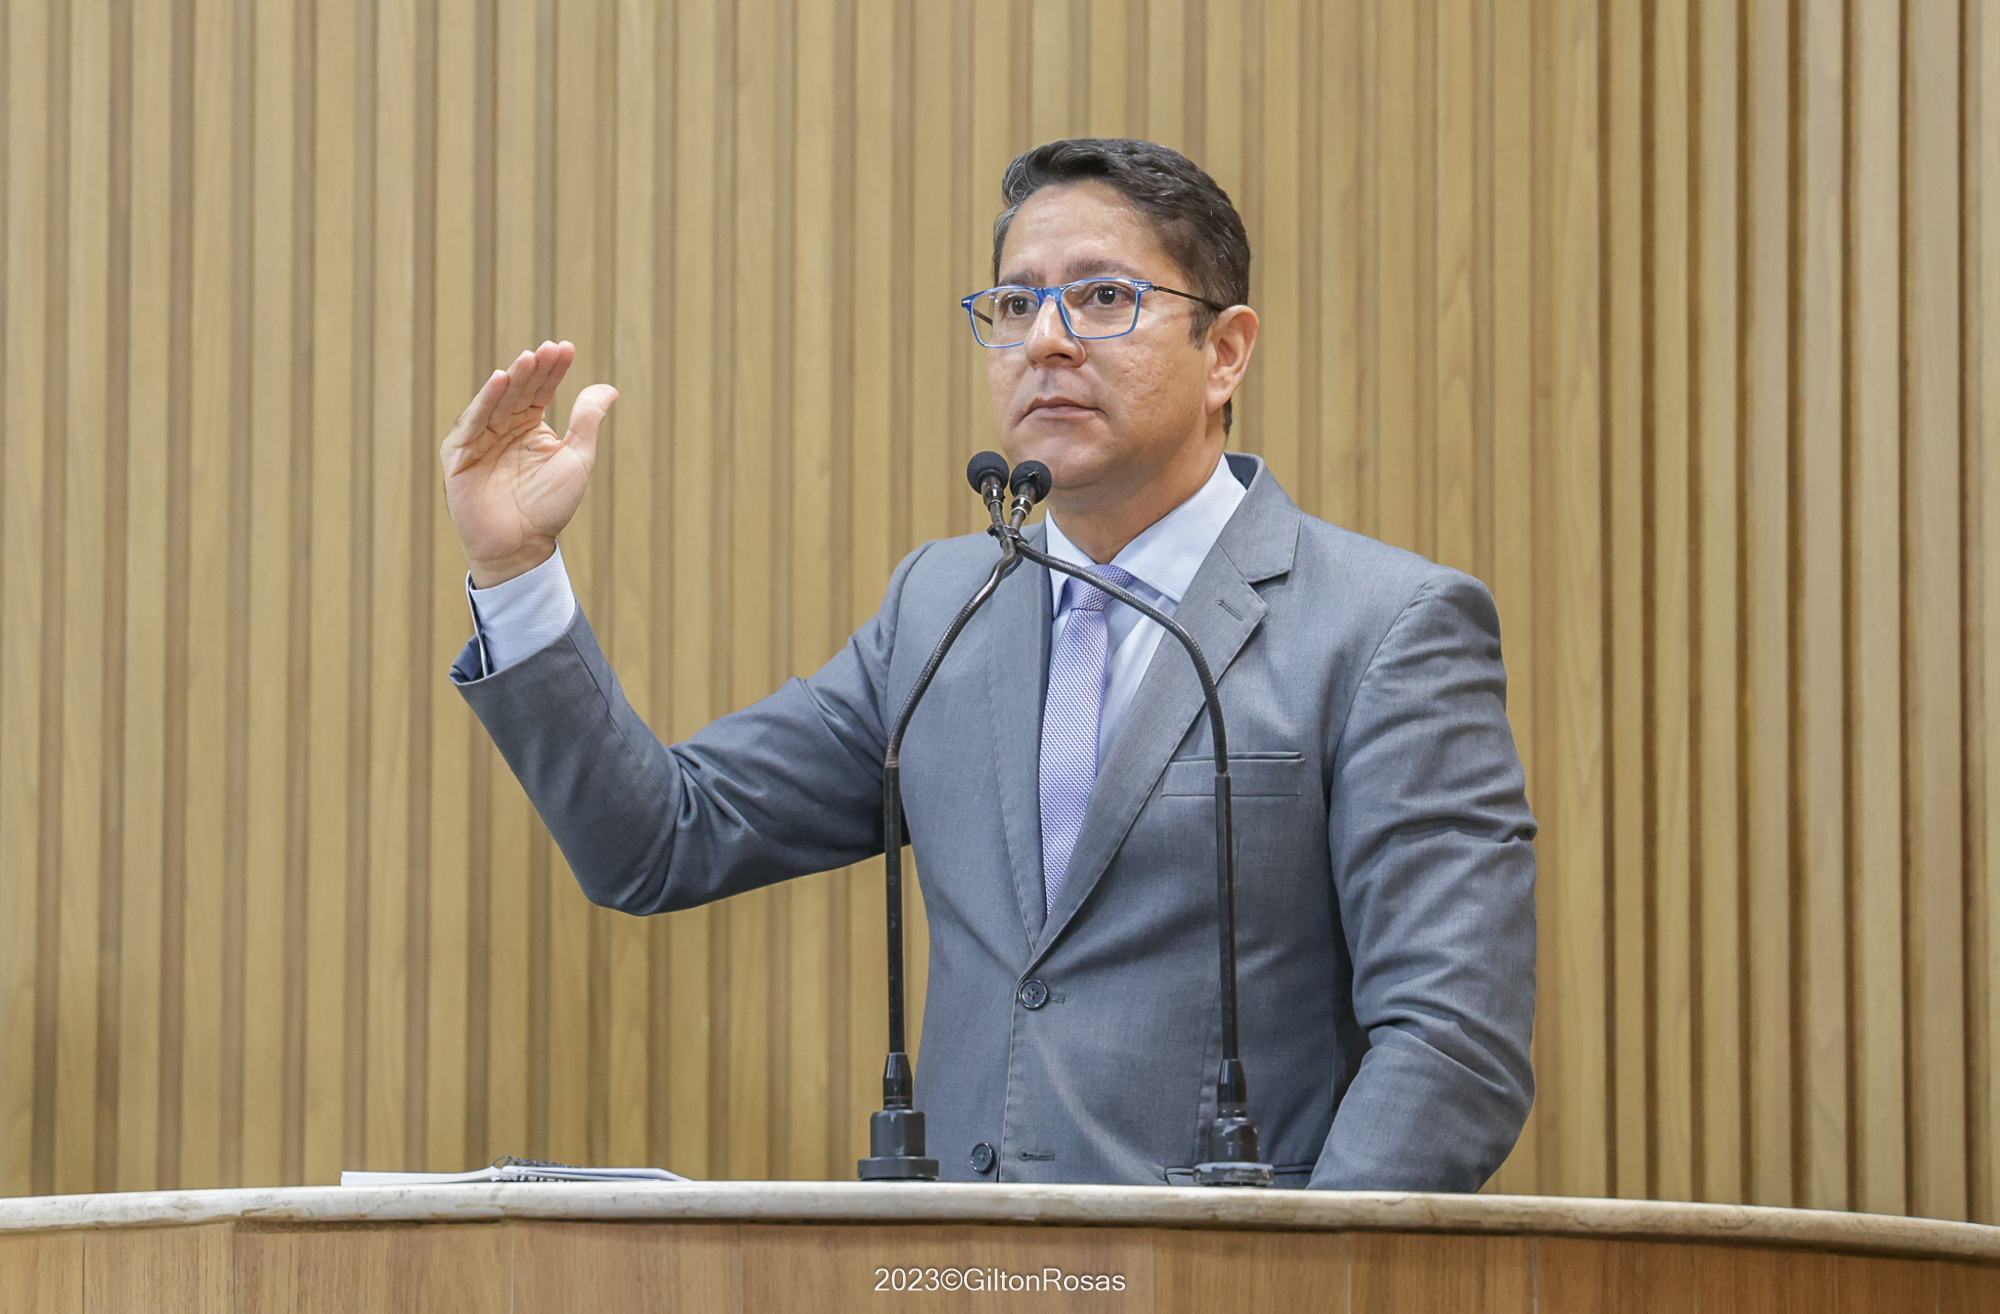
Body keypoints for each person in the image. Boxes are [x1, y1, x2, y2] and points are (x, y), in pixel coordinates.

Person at [439, 139, 1536, 1190]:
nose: (1046, 340)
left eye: (1102, 297)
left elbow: (1452, 1042)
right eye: (1014, 305)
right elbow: (660, 840)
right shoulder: (941, 608)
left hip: (1225, 1275)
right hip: (955, 1270)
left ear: (1225, 352)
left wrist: (1290, 1280)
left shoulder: (1384, 626)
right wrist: (516, 567)